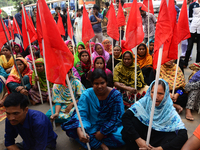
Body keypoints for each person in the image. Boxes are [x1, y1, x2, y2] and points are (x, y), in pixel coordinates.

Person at [62, 69, 125, 150]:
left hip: (111, 127)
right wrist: (80, 129)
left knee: (123, 136)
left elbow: (117, 117)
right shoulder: (86, 94)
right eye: (96, 83)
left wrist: (102, 132)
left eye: (102, 83)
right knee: (72, 129)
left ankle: (91, 141)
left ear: (107, 82)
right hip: (90, 125)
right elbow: (81, 113)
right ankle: (100, 145)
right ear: (92, 83)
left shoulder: (115, 95)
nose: (99, 86)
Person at [121, 79, 188, 150]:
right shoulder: (144, 102)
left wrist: (160, 148)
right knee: (130, 125)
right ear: (150, 91)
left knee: (174, 137)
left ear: (166, 94)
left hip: (158, 141)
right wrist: (138, 140)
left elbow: (183, 135)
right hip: (141, 138)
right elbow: (125, 117)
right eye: (153, 92)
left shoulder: (169, 109)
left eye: (160, 93)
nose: (156, 97)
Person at [183, 0, 200, 68]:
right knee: (189, 47)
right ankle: (185, 62)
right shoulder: (192, 5)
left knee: (199, 49)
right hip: (193, 28)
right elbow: (190, 16)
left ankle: (197, 63)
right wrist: (193, 22)